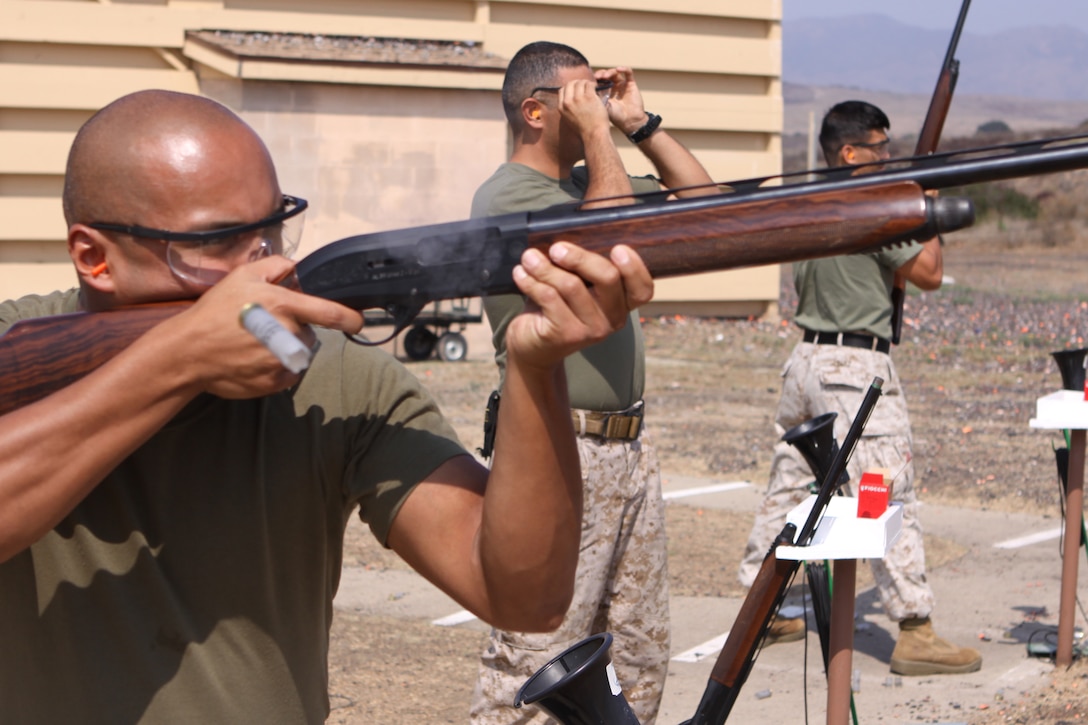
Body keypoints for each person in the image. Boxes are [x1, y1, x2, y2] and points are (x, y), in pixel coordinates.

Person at [0, 89, 655, 722]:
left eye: (272, 229)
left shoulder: (334, 377)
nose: (266, 267)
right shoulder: (18, 351)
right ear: (95, 258)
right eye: (218, 241)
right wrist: (177, 360)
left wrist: (536, 367)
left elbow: (524, 596)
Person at [468, 41, 717, 724]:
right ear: (535, 112)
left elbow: (705, 208)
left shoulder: (584, 187)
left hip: (626, 448)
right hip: (559, 447)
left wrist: (639, 123)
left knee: (635, 654)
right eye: (581, 96)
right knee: (532, 658)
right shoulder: (508, 196)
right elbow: (604, 240)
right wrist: (603, 138)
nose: (595, 108)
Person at [737, 100, 982, 676]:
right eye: (880, 150)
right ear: (850, 154)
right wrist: (921, 204)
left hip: (805, 360)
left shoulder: (812, 200)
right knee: (885, 489)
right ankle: (915, 628)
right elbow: (929, 273)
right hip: (854, 367)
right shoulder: (873, 205)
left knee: (792, 488)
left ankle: (760, 604)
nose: (888, 159)